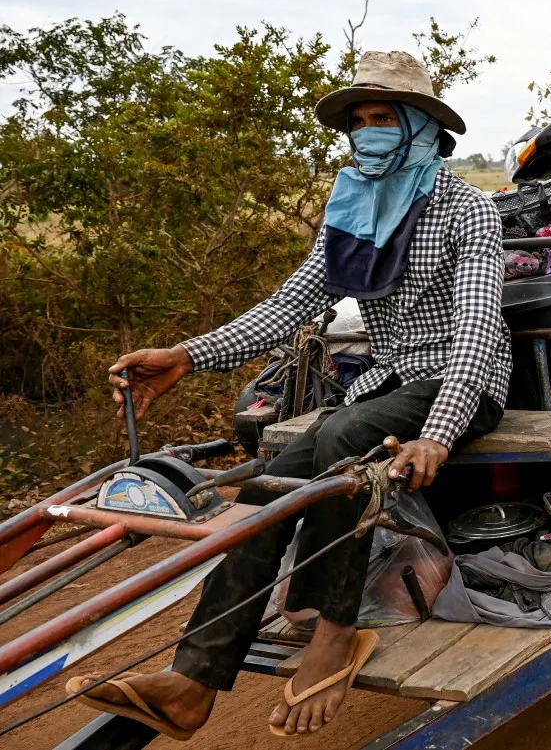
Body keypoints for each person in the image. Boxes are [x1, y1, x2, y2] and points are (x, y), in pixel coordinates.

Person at [74, 51, 510, 738]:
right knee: (271, 481)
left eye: (382, 119)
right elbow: (291, 304)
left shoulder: (468, 211)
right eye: (358, 120)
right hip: (388, 380)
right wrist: (189, 355)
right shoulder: (353, 208)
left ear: (422, 127)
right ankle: (195, 678)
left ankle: (337, 631)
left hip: (464, 381)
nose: (367, 132)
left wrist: (441, 430)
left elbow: (479, 328)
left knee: (338, 441)